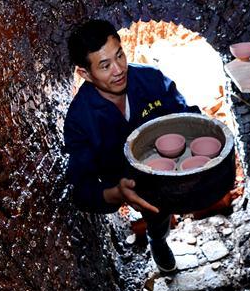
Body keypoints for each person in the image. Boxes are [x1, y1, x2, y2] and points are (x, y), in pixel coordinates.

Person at [63, 19, 200, 273]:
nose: (118, 70)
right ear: (85, 73)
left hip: (169, 169)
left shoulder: (151, 80)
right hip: (129, 184)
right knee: (155, 215)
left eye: (120, 56)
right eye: (105, 66)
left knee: (166, 208)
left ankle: (159, 233)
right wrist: (118, 193)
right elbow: (81, 191)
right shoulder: (80, 120)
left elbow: (189, 117)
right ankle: (157, 241)